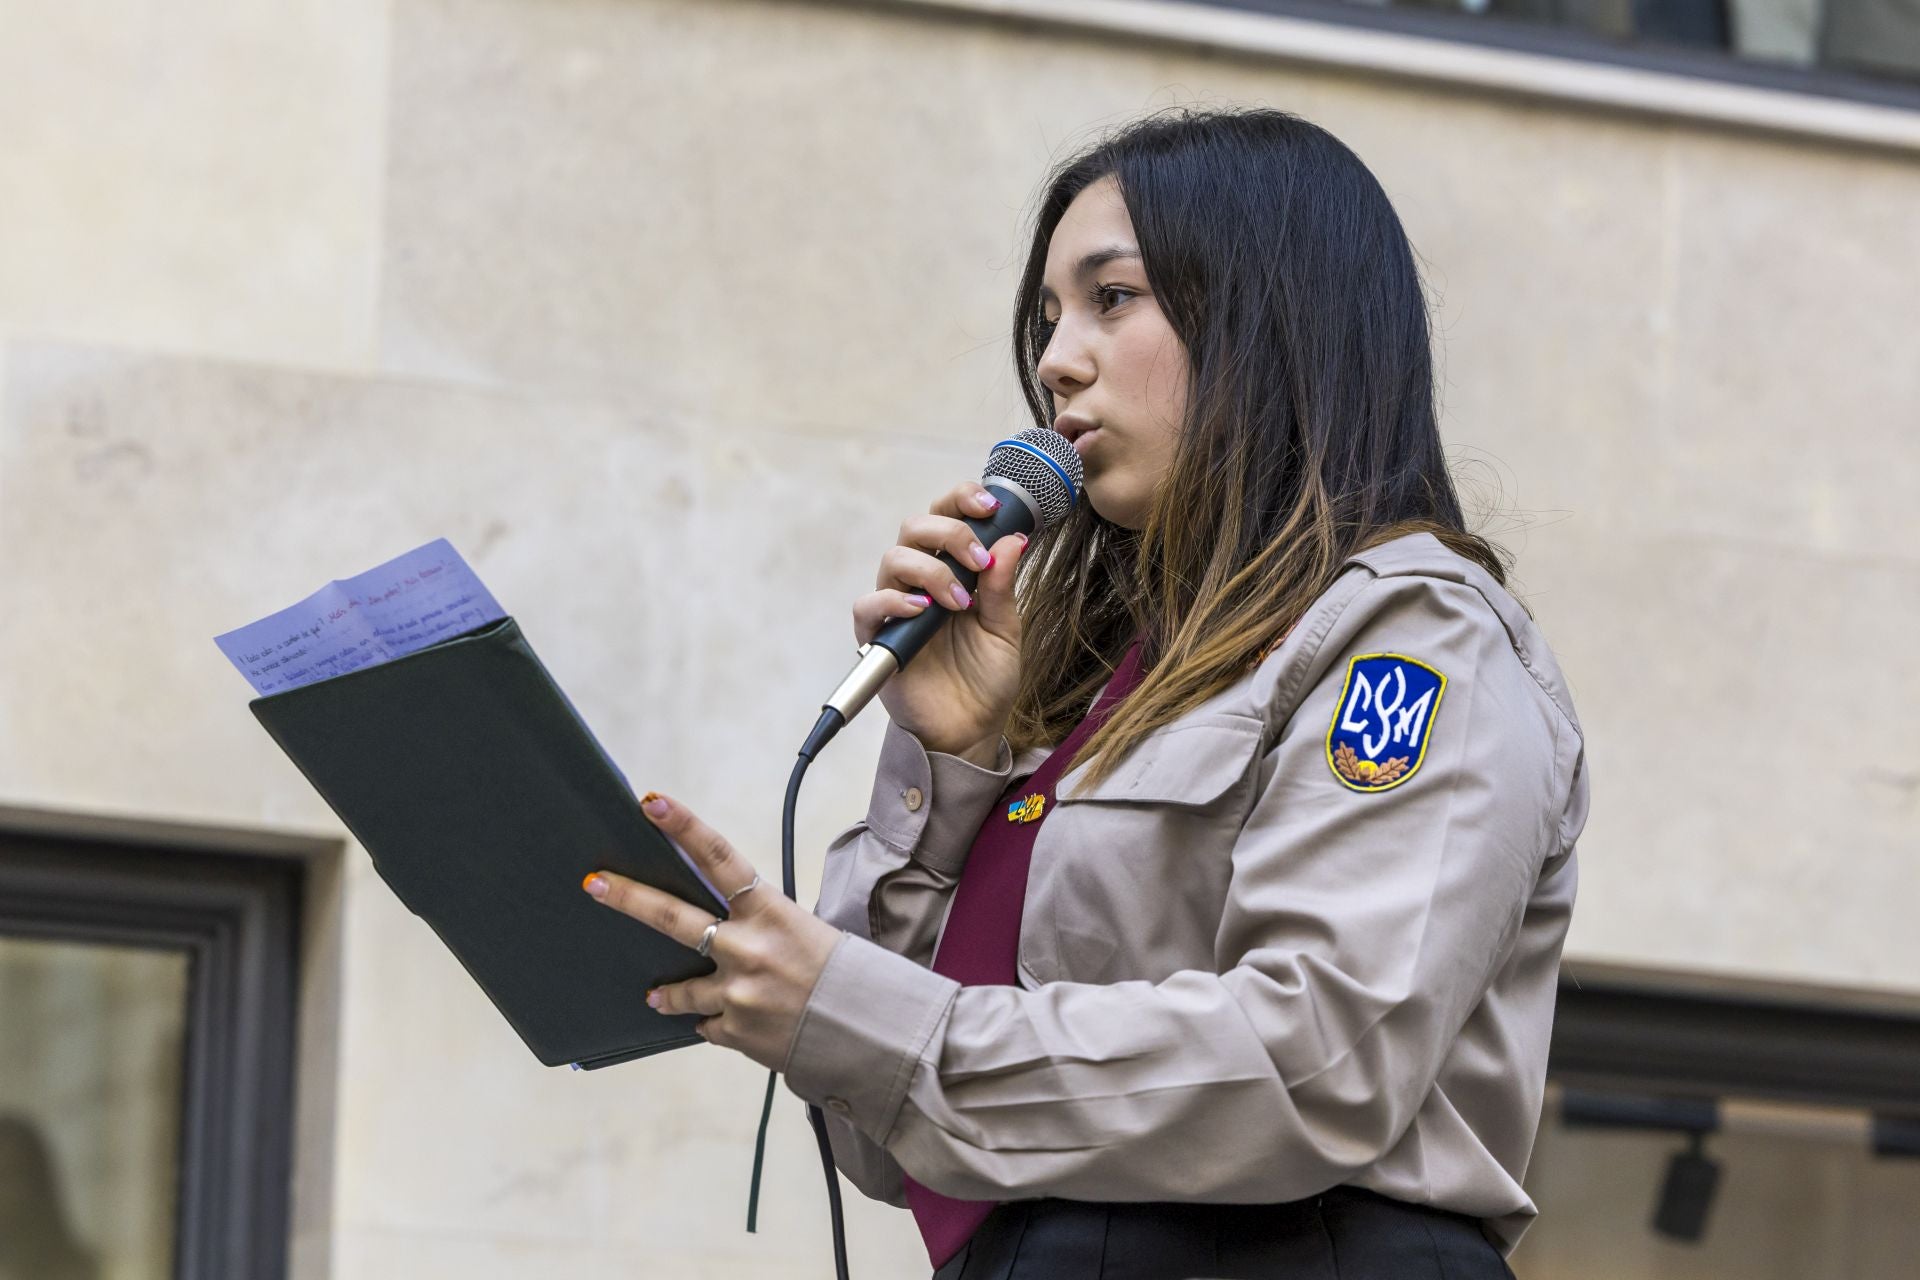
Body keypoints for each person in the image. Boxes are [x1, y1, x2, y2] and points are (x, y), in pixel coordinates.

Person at [581, 105, 1589, 1278]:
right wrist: (954, 765)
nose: (1058, 358)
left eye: (1114, 298)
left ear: (1270, 320)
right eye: (1052, 315)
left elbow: (1318, 1058)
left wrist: (874, 1019)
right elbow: (877, 1137)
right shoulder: (1086, 687)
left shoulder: (1409, 634)